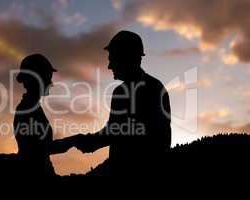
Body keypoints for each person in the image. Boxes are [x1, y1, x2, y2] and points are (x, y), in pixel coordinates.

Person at [58, 31, 172, 176]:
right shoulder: (153, 87)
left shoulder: (137, 91)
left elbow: (118, 134)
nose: (109, 66)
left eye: (112, 59)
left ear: (126, 58)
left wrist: (77, 141)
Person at [13, 54, 72, 176]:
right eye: (48, 78)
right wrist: (72, 142)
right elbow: (39, 149)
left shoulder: (32, 108)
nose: (51, 83)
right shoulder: (27, 110)